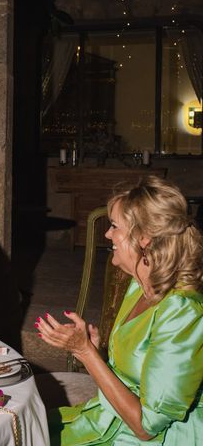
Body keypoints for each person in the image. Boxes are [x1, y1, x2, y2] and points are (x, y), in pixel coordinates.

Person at [37, 176, 203, 445]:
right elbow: (137, 370)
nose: (107, 235)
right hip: (110, 418)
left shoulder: (183, 312)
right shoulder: (138, 287)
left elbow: (146, 427)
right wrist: (97, 350)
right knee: (21, 427)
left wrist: (85, 352)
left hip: (155, 437)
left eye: (114, 226)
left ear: (144, 238)